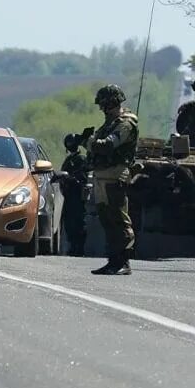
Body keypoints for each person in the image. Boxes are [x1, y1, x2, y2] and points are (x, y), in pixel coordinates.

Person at [84, 84, 139, 275]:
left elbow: (108, 146)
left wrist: (89, 142)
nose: (101, 109)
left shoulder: (125, 123)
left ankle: (123, 262)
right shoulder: (109, 124)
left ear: (111, 103)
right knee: (107, 219)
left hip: (115, 175)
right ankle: (113, 260)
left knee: (118, 218)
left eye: (103, 105)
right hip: (102, 176)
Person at [59, 132, 90, 257]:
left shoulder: (81, 159)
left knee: (78, 221)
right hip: (68, 195)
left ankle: (79, 248)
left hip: (77, 195)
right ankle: (73, 246)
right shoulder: (69, 159)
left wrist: (68, 178)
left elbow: (82, 178)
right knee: (69, 222)